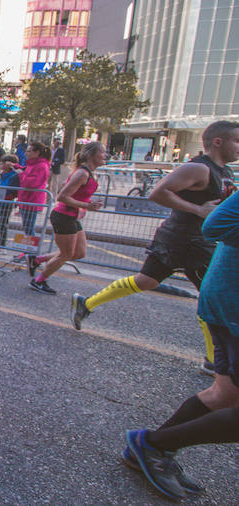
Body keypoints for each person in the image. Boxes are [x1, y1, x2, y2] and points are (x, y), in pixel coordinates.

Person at [71, 121, 239, 374]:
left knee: (146, 281)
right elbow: (157, 193)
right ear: (218, 141)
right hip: (183, 239)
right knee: (209, 296)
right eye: (237, 141)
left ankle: (86, 304)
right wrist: (198, 210)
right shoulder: (199, 168)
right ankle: (214, 360)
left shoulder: (223, 170)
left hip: (193, 241)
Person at [121, 190, 239, 501]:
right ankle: (152, 446)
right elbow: (215, 225)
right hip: (233, 304)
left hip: (226, 298)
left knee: (225, 394)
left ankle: (153, 448)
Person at [28, 142, 104, 295]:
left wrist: (84, 204)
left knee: (79, 253)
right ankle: (38, 281)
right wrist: (86, 205)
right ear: (91, 155)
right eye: (102, 152)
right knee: (66, 254)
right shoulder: (82, 173)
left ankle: (37, 260)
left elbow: (66, 185)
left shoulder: (87, 172)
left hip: (73, 216)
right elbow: (62, 197)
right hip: (63, 216)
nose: (105, 155)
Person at [17, 141, 51, 242]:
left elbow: (32, 183)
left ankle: (31, 253)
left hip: (32, 201)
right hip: (26, 199)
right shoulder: (32, 164)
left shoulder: (41, 166)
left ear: (37, 153)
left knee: (29, 228)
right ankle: (27, 252)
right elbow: (26, 171)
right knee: (27, 228)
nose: (26, 153)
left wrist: (20, 174)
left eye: (29, 151)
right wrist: (16, 166)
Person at [0, 155, 20, 253]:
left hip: (6, 203)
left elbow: (13, 192)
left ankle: (2, 247)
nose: (1, 164)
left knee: (2, 224)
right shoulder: (2, 174)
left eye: (3, 163)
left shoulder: (14, 176)